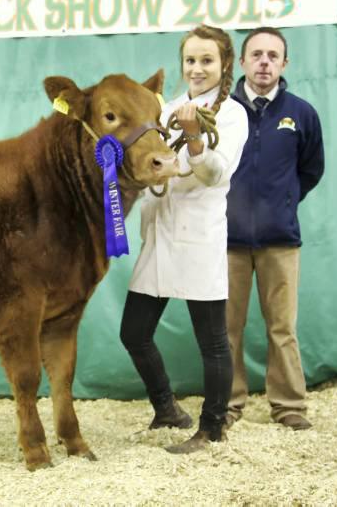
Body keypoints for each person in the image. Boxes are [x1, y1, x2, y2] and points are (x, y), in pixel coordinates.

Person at [119, 25, 249, 454]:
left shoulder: (232, 114)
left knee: (212, 342)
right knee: (134, 333)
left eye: (207, 60)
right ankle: (167, 409)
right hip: (158, 236)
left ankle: (212, 427)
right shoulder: (168, 108)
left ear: (224, 64)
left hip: (198, 238)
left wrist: (193, 134)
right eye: (190, 60)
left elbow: (214, 173)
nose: (196, 68)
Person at [225, 27, 325, 430]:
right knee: (226, 329)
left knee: (282, 328)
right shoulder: (223, 112)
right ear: (243, 62)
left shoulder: (301, 114)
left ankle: (289, 407)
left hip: (280, 242)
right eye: (257, 54)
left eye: (273, 55)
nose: (264, 61)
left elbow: (311, 169)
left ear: (285, 63)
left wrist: (282, 202)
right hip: (227, 242)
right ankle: (227, 405)